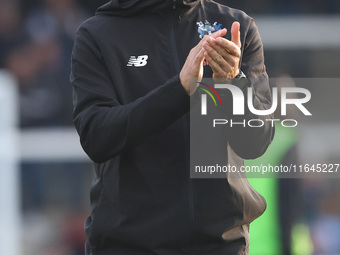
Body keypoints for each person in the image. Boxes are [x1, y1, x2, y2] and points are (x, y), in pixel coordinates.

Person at [70, 0, 274, 254]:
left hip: (222, 245)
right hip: (128, 245)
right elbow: (96, 136)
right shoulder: (98, 33)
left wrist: (231, 85)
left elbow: (256, 141)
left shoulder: (236, 25)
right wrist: (180, 90)